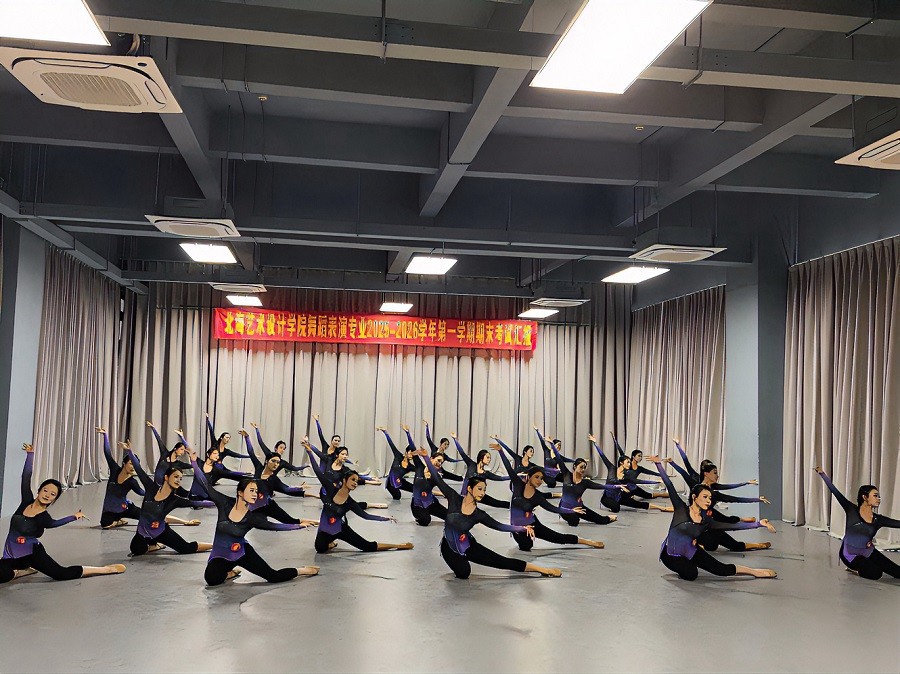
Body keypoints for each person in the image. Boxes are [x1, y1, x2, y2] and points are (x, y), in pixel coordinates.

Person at [1, 443, 126, 584]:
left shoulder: (44, 517)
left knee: (61, 574)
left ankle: (106, 569)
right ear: (39, 490)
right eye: (45, 491)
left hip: (31, 553)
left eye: (52, 494)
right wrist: (30, 455)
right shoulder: (26, 502)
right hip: (10, 554)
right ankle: (21, 572)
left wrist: (74, 516)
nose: (47, 495)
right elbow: (26, 477)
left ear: (54, 499)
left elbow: (55, 523)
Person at [421, 453, 561, 579]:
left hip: (468, 545)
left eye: (484, 490)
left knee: (502, 561)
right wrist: (426, 457)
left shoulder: (479, 515)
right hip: (448, 547)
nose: (482, 493)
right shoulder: (454, 498)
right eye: (479, 489)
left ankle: (543, 570)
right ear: (469, 488)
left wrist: (522, 528)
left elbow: (499, 526)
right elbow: (438, 479)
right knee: (463, 573)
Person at [649, 456, 776, 581]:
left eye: (710, 498)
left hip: (690, 550)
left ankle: (755, 572)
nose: (708, 501)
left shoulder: (706, 520)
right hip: (670, 554)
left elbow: (732, 526)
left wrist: (758, 524)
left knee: (721, 570)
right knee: (691, 574)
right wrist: (658, 464)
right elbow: (669, 485)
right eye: (705, 497)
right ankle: (688, 563)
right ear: (694, 497)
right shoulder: (681, 509)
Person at [193, 463, 319, 586]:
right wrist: (194, 462)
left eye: (256, 491)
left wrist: (297, 526)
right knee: (211, 579)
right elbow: (205, 485)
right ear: (240, 492)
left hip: (242, 553)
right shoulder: (224, 503)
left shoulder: (252, 517)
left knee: (273, 576)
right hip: (220, 554)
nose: (255, 494)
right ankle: (229, 573)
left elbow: (274, 526)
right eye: (251, 491)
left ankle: (302, 570)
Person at [303, 441, 412, 554]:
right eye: (353, 480)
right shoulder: (330, 489)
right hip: (324, 530)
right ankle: (331, 543)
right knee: (320, 548)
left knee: (367, 547)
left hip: (340, 529)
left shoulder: (350, 503)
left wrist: (386, 518)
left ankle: (399, 545)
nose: (355, 483)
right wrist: (310, 452)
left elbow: (366, 516)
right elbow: (317, 471)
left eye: (356, 481)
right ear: (344, 480)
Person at [494, 442, 604, 551]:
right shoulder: (518, 485)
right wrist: (500, 451)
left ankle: (588, 542)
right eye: (537, 477)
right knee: (526, 546)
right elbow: (508, 468)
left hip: (532, 524)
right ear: (529, 477)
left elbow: (553, 509)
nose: (539, 481)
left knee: (558, 538)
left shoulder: (538, 497)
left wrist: (571, 511)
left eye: (541, 478)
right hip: (517, 528)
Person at [123, 443, 212, 557]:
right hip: (143, 533)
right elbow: (139, 470)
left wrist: (218, 502)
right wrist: (130, 451)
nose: (178, 480)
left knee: (185, 548)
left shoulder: (175, 500)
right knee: (136, 549)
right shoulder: (151, 488)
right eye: (176, 477)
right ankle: (153, 545)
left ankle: (213, 545)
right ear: (166, 477)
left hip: (161, 532)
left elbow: (197, 503)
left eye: (180, 478)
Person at [816, 467, 900, 581]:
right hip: (849, 555)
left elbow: (897, 524)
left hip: (867, 551)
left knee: (897, 571)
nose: (878, 499)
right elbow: (835, 492)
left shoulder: (878, 520)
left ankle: (868, 563)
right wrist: (822, 474)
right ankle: (853, 569)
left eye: (878, 496)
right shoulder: (851, 510)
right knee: (876, 573)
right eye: (875, 496)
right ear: (864, 497)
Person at [548, 443, 618, 527]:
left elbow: (602, 486)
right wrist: (552, 444)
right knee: (574, 521)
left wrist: (616, 486)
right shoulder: (567, 475)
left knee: (601, 520)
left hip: (579, 507)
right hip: (565, 508)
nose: (583, 469)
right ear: (575, 466)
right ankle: (572, 514)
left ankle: (608, 517)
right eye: (581, 467)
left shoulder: (585, 482)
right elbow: (559, 459)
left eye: (584, 467)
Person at [592, 442, 672, 513]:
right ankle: (616, 503)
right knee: (616, 508)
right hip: (607, 497)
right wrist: (595, 443)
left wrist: (657, 482)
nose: (629, 464)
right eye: (628, 462)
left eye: (630, 463)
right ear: (621, 463)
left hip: (619, 496)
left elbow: (640, 481)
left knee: (637, 504)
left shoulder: (626, 476)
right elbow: (603, 456)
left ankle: (662, 508)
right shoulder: (612, 469)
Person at [97, 427, 144, 529]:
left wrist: (158, 492)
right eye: (131, 463)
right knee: (105, 525)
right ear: (124, 463)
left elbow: (141, 492)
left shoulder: (132, 482)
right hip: (110, 511)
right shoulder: (115, 470)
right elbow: (108, 454)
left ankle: (180, 521)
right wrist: (105, 435)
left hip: (125, 508)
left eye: (135, 465)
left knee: (151, 518)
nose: (133, 467)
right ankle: (118, 521)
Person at [315, 415, 380, 485]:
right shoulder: (325, 446)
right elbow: (320, 435)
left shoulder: (338, 451)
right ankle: (369, 478)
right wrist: (317, 421)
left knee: (350, 474)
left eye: (338, 441)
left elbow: (343, 458)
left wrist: (352, 463)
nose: (337, 442)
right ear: (331, 441)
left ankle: (370, 478)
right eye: (335, 440)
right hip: (324, 468)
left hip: (333, 468)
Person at [454, 434, 510, 509]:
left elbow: (500, 478)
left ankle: (512, 505)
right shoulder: (471, 464)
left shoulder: (486, 473)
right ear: (481, 458)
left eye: (490, 458)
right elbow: (462, 453)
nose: (489, 460)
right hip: (466, 496)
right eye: (487, 457)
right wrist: (454, 439)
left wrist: (514, 476)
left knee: (496, 502)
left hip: (478, 495)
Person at [410, 452, 450, 527]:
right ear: (431, 459)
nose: (439, 464)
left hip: (430, 502)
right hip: (417, 504)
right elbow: (412, 449)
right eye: (438, 460)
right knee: (425, 521)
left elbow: (445, 488)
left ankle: (430, 511)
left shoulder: (436, 476)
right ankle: (419, 516)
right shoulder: (420, 468)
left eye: (441, 462)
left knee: (449, 517)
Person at [378, 426, 416, 500]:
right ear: (406, 452)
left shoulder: (410, 466)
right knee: (397, 496)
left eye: (413, 454)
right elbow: (391, 444)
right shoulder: (398, 456)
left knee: (416, 490)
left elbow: (421, 469)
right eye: (410, 453)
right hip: (391, 484)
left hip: (400, 481)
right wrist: (385, 432)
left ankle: (435, 493)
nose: (412, 455)